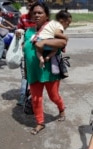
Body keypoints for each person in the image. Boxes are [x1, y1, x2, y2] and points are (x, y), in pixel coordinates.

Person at [23, 2, 68, 135]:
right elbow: (25, 51)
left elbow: (62, 42)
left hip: (49, 71)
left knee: (54, 96)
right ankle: (40, 122)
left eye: (40, 13)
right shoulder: (28, 31)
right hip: (33, 71)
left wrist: (44, 42)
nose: (36, 15)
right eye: (34, 12)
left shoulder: (52, 28)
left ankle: (61, 109)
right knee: (36, 98)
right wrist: (26, 71)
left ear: (46, 15)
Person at [15, 0, 37, 106]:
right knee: (25, 76)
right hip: (24, 52)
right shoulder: (23, 18)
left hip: (38, 53)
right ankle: (23, 96)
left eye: (32, 1)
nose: (30, 3)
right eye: (29, 2)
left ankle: (34, 97)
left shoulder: (42, 19)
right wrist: (18, 34)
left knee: (36, 75)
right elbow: (18, 31)